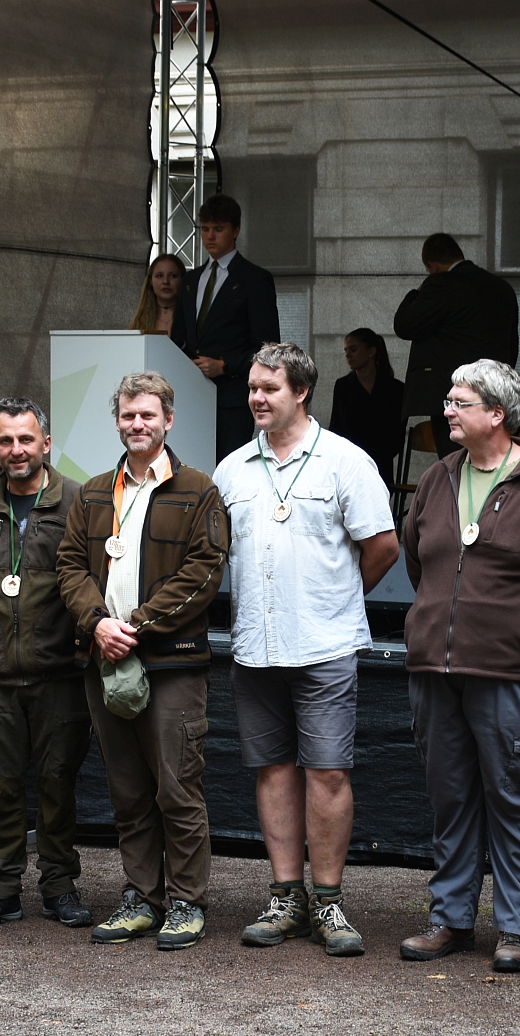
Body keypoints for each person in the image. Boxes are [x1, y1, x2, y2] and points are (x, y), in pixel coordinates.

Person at [399, 359, 520, 973]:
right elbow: (418, 560)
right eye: (449, 400)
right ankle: (451, 919)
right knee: (449, 799)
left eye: (459, 402)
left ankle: (515, 927)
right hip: (435, 671)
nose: (447, 411)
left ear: (497, 414)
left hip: (514, 675)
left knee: (513, 800)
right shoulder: (437, 478)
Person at [215, 342, 399, 958]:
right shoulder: (232, 469)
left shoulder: (346, 461)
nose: (256, 398)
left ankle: (328, 901)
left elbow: (384, 546)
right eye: (251, 387)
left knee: (327, 771)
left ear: (301, 392)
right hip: (255, 646)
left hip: (324, 645)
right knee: (272, 770)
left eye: (269, 388)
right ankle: (285, 897)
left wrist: (336, 598)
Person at [56, 371, 229, 949]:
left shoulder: (198, 490)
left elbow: (205, 569)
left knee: (177, 789)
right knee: (128, 791)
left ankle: (186, 903)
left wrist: (135, 625)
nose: (137, 424)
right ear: (117, 422)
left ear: (168, 421)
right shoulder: (93, 492)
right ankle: (141, 898)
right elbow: (69, 566)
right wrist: (97, 624)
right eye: (128, 415)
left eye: (148, 415)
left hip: (171, 661)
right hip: (104, 658)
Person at [0, 397, 94, 931]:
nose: (16, 450)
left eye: (26, 439)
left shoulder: (77, 501)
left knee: (58, 785)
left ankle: (59, 887)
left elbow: (91, 579)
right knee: (1, 785)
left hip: (59, 673)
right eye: (6, 441)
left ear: (46, 444)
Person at [169, 195, 281, 462]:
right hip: (191, 394)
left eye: (218, 229)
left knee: (228, 467)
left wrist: (226, 365)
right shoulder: (191, 280)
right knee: (190, 467)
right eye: (205, 229)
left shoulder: (255, 279)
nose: (210, 236)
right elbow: (179, 339)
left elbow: (268, 347)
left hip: (232, 398)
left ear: (236, 230)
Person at [393, 233, 519, 460]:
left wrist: (417, 292)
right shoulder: (502, 288)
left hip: (454, 390)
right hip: (494, 392)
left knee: (457, 462)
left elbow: (405, 325)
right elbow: (511, 345)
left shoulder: (441, 284)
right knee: (492, 460)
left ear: (432, 266)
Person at [326, 327, 406, 484]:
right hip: (349, 466)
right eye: (346, 351)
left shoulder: (395, 389)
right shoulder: (343, 386)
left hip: (381, 465)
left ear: (371, 351)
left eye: (353, 349)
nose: (348, 355)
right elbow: (336, 427)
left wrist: (377, 457)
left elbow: (397, 434)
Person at [129, 253, 186, 336]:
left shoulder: (192, 319)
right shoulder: (138, 321)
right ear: (150, 281)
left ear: (183, 279)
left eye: (173, 276)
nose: (165, 281)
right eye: (159, 276)